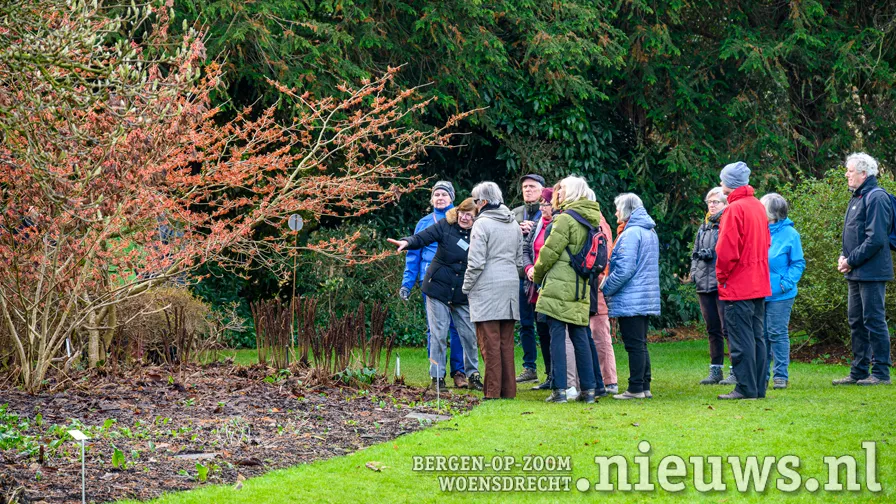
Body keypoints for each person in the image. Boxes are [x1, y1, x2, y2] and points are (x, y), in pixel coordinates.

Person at [389, 198, 483, 391]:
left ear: (476, 218)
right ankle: (437, 378)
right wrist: (406, 242)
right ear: (457, 212)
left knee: (469, 335)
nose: (464, 218)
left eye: (469, 215)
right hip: (437, 288)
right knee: (438, 334)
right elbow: (422, 238)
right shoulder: (445, 225)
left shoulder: (479, 233)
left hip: (462, 291)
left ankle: (473, 375)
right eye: (462, 213)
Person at [533, 176, 607, 404]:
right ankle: (589, 392)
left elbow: (549, 252)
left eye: (562, 189)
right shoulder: (591, 218)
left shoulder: (565, 219)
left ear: (572, 192)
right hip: (581, 285)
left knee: (557, 335)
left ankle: (560, 391)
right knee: (580, 336)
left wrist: (537, 275)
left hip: (559, 284)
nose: (558, 193)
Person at [833, 152, 893, 386]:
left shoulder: (876, 197)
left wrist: (851, 260)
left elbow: (876, 239)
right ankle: (858, 371)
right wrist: (843, 256)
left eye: (850, 170)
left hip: (872, 271)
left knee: (873, 320)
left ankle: (880, 373)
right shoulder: (856, 197)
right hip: (855, 270)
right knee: (856, 320)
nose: (846, 174)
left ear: (863, 173)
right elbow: (852, 232)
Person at [399, 181, 466, 387]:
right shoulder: (424, 222)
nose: (440, 198)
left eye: (444, 195)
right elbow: (413, 254)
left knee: (458, 328)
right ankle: (436, 374)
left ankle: (459, 372)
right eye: (436, 194)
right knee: (434, 330)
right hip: (431, 281)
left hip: (456, 281)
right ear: (431, 199)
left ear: (452, 198)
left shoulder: (460, 221)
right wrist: (407, 284)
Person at [714, 162, 771, 400]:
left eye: (723, 180)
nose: (720, 184)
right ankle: (757, 387)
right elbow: (767, 241)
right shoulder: (758, 206)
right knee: (757, 337)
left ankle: (745, 388)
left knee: (740, 338)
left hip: (739, 284)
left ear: (730, 184)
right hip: (758, 282)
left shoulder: (734, 209)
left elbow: (726, 249)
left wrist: (721, 276)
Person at [463, 182, 525, 399]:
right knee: (505, 343)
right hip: (509, 286)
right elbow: (519, 261)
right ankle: (508, 390)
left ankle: (492, 392)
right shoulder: (514, 223)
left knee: (489, 342)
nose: (475, 206)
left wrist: (466, 286)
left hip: (487, 287)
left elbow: (476, 262)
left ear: (484, 202)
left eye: (476, 201)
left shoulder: (482, 224)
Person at [601, 193, 660, 400]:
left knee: (634, 343)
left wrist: (605, 287)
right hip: (644, 295)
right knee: (640, 342)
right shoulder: (648, 231)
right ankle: (644, 385)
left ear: (626, 210)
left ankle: (635, 388)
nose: (615, 212)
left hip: (631, 297)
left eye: (618, 208)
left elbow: (624, 269)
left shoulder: (631, 233)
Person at [761, 193, 805, 390]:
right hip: (758, 291)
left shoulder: (791, 235)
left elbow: (798, 263)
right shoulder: (759, 230)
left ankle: (780, 375)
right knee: (760, 335)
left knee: (776, 333)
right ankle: (761, 375)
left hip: (781, 294)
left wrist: (785, 284)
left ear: (772, 213)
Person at [690, 187, 733, 385]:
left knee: (728, 328)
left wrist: (713, 256)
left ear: (726, 204)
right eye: (710, 202)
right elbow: (695, 253)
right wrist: (694, 273)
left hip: (722, 283)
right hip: (703, 284)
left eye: (717, 201)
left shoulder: (727, 224)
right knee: (712, 329)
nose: (712, 205)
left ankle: (735, 370)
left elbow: (728, 253)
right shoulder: (704, 227)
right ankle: (716, 371)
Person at [512, 174, 546, 383]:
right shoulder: (514, 213)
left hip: (543, 276)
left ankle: (552, 370)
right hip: (520, 275)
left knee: (544, 324)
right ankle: (529, 367)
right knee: (525, 324)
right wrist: (517, 230)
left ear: (542, 190)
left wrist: (535, 230)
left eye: (532, 187)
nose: (528, 190)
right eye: (525, 187)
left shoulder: (549, 212)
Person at [522, 187, 556, 391]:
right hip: (535, 287)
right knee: (542, 331)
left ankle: (558, 375)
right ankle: (549, 374)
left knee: (553, 331)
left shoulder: (558, 225)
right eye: (541, 203)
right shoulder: (537, 226)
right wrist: (528, 268)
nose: (542, 207)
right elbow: (526, 248)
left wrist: (540, 270)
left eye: (546, 203)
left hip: (551, 285)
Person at [585, 188, 618, 395]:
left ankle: (609, 380)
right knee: (595, 331)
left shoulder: (596, 221)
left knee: (599, 332)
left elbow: (603, 256)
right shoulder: (598, 220)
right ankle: (602, 378)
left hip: (597, 282)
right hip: (596, 281)